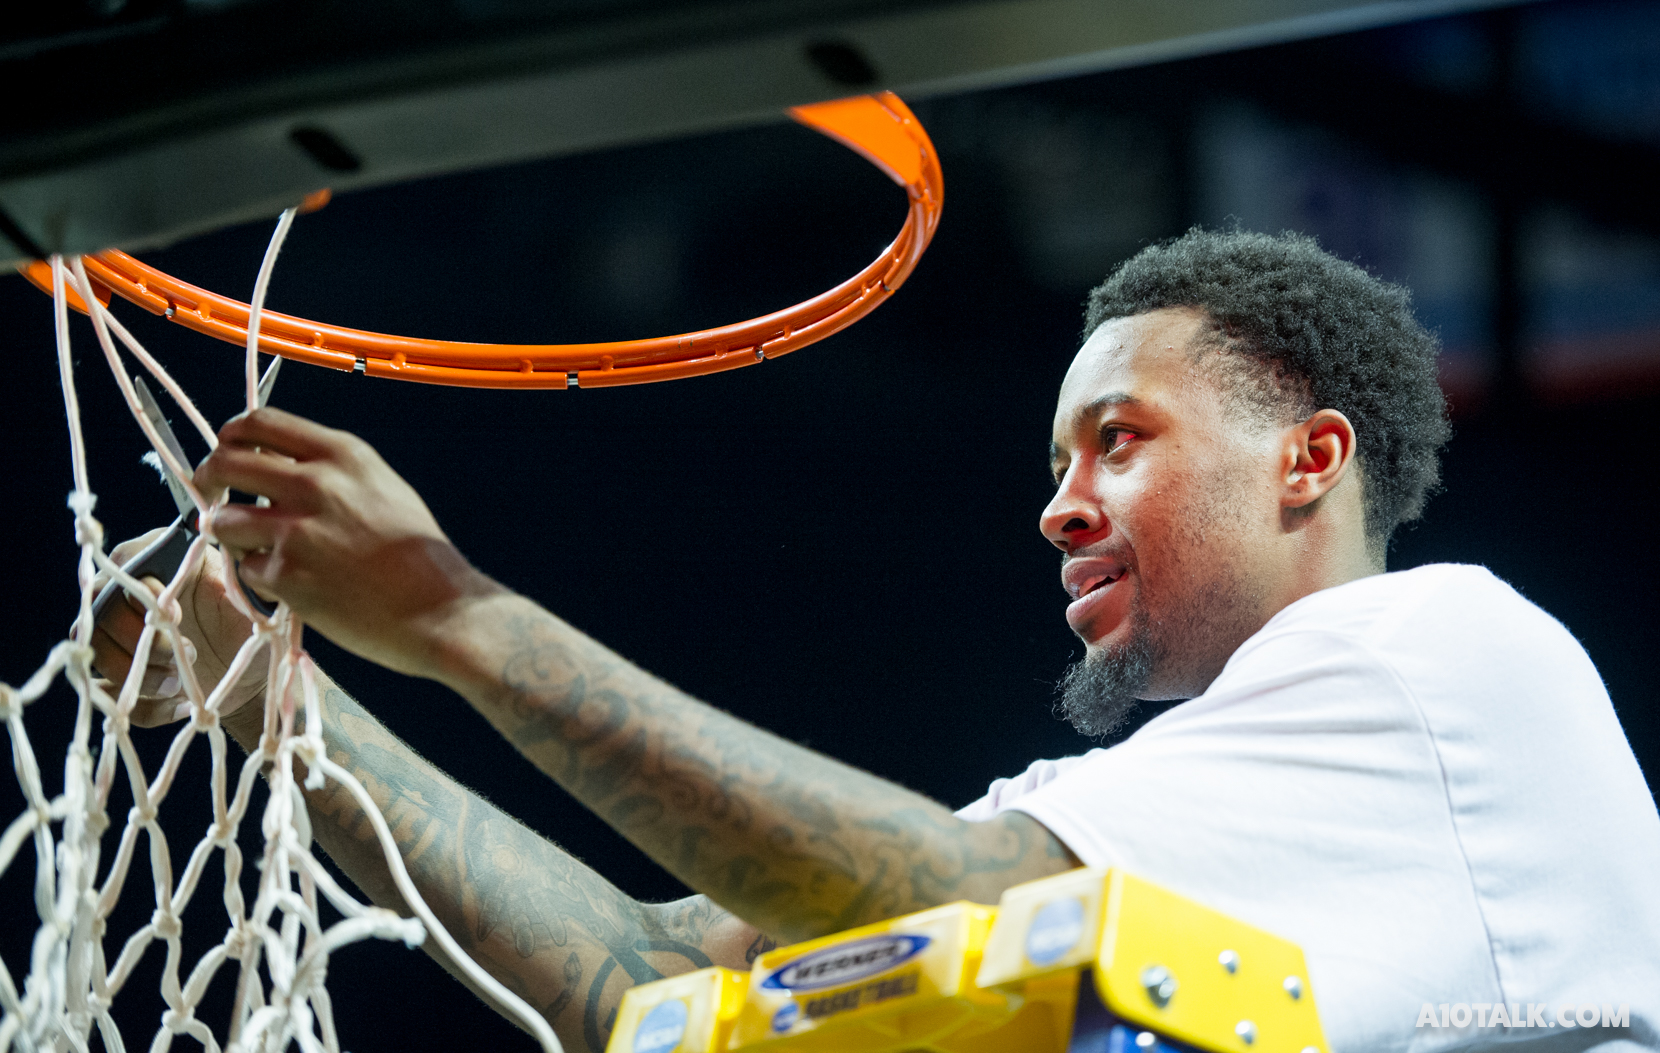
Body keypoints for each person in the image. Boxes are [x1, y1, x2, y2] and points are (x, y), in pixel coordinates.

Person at [92, 230, 1660, 1053]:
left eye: (1118, 440)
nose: (1059, 504)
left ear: (1309, 461)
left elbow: (950, 896)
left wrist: (453, 613)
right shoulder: (1163, 813)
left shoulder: (1440, 651)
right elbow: (644, 988)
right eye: (1054, 460)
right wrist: (279, 699)